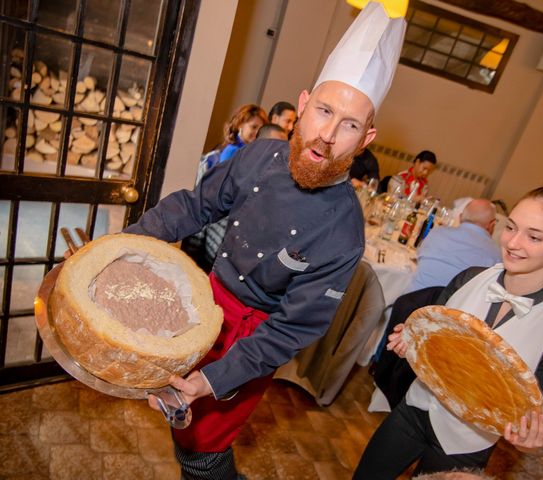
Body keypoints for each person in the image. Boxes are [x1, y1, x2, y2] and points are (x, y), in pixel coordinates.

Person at [125, 3, 406, 479]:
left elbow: (293, 329)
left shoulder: (344, 234)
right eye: (323, 111)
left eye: (350, 125)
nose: (327, 136)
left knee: (203, 451)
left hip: (250, 342)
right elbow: (195, 207)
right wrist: (124, 243)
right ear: (302, 104)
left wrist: (214, 379)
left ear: (366, 139)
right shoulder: (260, 155)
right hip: (204, 301)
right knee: (177, 423)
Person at [354, 185, 543, 479]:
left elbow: (534, 410)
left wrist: (528, 438)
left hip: (466, 444)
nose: (513, 243)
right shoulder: (469, 278)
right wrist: (412, 340)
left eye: (534, 237)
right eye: (511, 227)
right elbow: (432, 333)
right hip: (414, 410)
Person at [405, 198, 501, 294]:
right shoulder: (496, 254)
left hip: (409, 304)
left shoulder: (437, 233)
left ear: (460, 217)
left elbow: (418, 257)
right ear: (491, 224)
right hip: (450, 307)